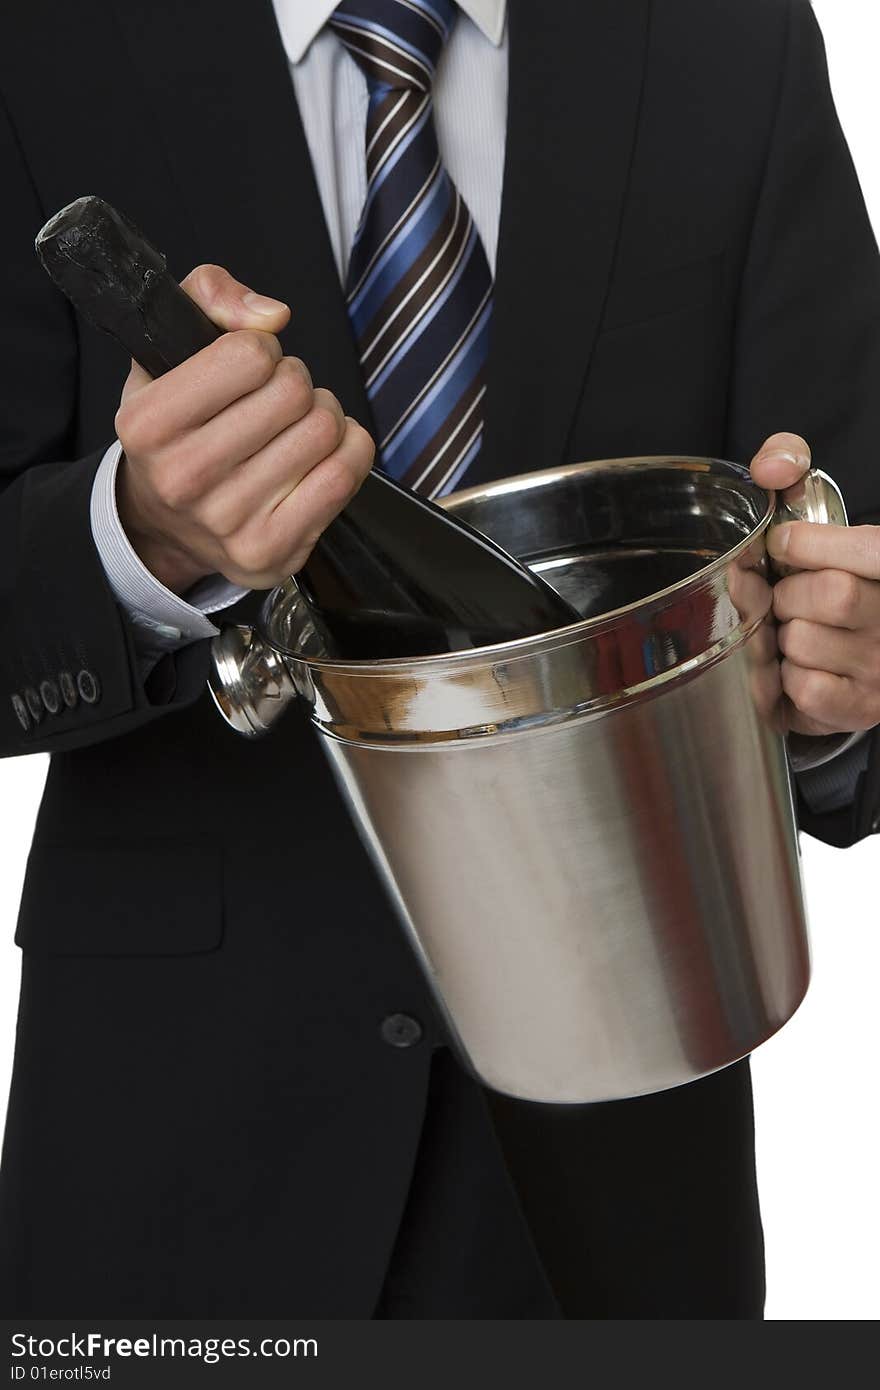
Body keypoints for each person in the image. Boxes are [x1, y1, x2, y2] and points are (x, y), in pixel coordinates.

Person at [1, 0, 878, 1319]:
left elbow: (842, 566)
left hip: (625, 1185)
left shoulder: (726, 40)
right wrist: (139, 538)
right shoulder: (43, 42)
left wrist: (839, 689)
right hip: (173, 1164)